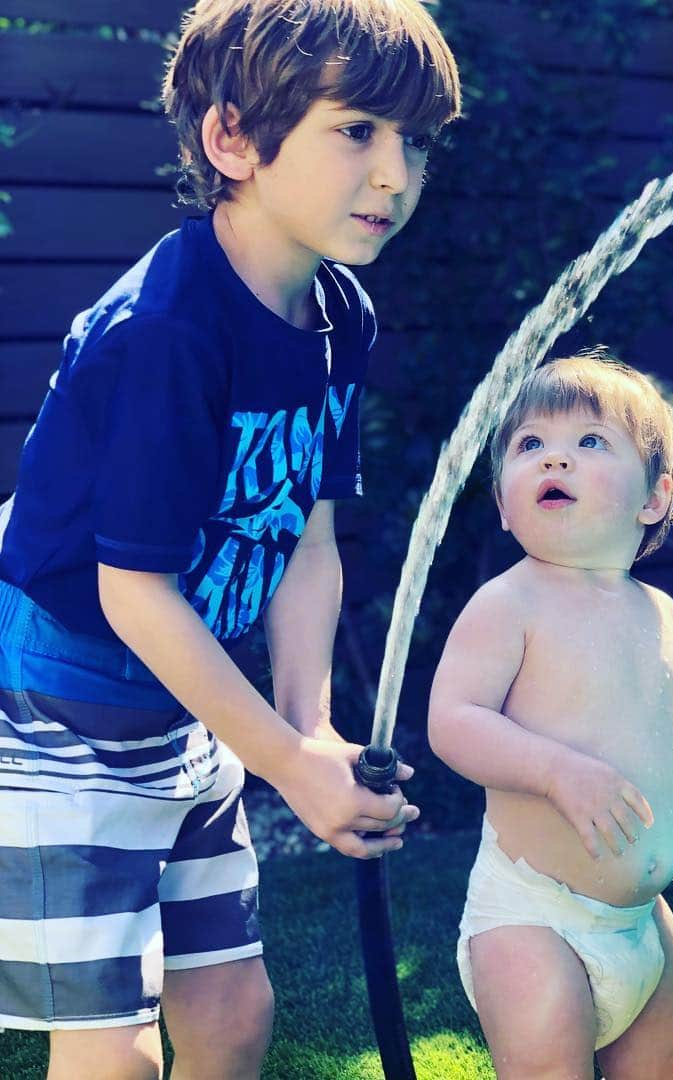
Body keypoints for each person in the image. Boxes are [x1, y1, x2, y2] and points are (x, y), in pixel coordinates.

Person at [0, 2, 460, 1076]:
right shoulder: (167, 332)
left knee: (233, 1015)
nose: (396, 175)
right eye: (358, 132)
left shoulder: (340, 318)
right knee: (112, 1053)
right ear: (234, 140)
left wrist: (310, 728)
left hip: (192, 688)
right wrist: (289, 769)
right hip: (61, 704)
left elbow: (307, 540)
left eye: (417, 142)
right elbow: (132, 593)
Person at [428, 350, 673, 1080]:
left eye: (590, 442)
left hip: (643, 924)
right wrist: (555, 771)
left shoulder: (656, 612)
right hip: (534, 919)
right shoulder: (510, 603)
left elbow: (663, 725)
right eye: (530, 445)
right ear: (506, 507)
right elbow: (454, 720)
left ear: (654, 497)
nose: (556, 460)